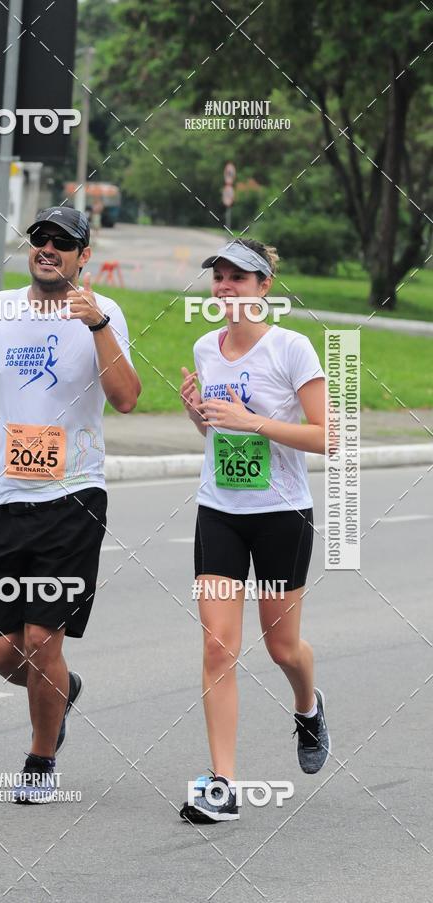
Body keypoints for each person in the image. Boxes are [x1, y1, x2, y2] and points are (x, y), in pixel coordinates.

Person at [0, 207, 141, 803]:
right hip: (4, 501)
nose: (47, 248)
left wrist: (97, 326)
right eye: (39, 239)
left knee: (43, 642)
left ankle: (40, 759)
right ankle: (60, 691)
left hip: (73, 498)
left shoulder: (102, 313)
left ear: (82, 256)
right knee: (1, 651)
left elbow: (126, 400)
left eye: (61, 242)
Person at [178, 237, 330, 824]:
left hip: (281, 516)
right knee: (218, 647)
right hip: (219, 512)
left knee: (281, 647)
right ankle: (222, 784)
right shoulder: (205, 347)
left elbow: (327, 436)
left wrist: (254, 422)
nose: (226, 288)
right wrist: (200, 414)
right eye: (219, 277)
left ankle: (308, 705)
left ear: (264, 288)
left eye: (239, 278)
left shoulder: (290, 349)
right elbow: (218, 440)